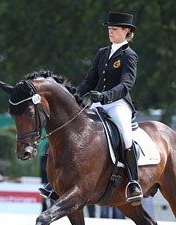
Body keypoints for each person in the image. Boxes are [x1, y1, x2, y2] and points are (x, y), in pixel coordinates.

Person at [40, 11, 143, 205]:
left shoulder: (129, 55)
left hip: (118, 104)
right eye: (109, 29)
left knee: (126, 137)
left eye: (114, 29)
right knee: (71, 128)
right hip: (97, 102)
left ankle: (133, 182)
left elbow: (126, 85)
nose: (110, 32)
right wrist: (75, 97)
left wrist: (105, 96)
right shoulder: (103, 52)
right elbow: (90, 80)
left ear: (126, 31)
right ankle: (55, 184)